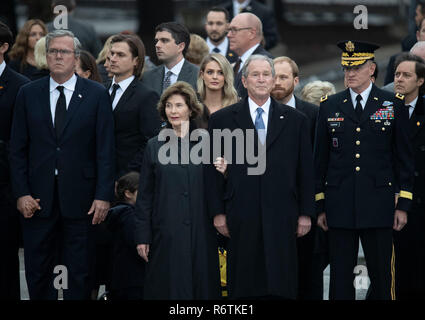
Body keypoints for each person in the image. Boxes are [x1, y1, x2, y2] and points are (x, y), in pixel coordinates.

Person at [9, 30, 115, 300]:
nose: (58, 56)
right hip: (37, 198)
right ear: (46, 56)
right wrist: (21, 193)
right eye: (53, 51)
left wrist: (103, 196)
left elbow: (105, 149)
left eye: (64, 52)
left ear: (75, 57)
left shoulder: (96, 94)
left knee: (79, 271)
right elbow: (17, 149)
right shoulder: (28, 93)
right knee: (37, 268)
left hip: (82, 198)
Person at [206, 54, 315, 299]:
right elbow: (212, 172)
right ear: (244, 81)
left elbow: (305, 170)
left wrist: (306, 213)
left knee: (281, 281)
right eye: (255, 75)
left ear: (274, 79)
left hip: (283, 214)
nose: (261, 79)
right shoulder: (222, 120)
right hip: (240, 213)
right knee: (243, 283)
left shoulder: (296, 121)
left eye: (266, 75)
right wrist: (218, 213)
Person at [314, 40, 415, 300]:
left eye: (356, 68)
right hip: (339, 204)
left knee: (382, 275)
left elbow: (403, 158)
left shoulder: (393, 103)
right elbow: (320, 161)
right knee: (339, 277)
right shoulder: (330, 105)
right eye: (346, 68)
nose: (349, 73)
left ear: (371, 69)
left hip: (379, 204)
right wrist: (320, 204)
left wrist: (403, 203)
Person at [135, 81, 220, 300]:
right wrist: (143, 236)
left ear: (191, 109)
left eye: (179, 105)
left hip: (203, 230)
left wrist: (225, 170)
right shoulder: (154, 145)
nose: (173, 111)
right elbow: (145, 196)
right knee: (169, 287)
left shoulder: (208, 142)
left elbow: (219, 185)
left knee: (202, 287)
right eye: (169, 106)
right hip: (166, 232)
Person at [0, 21, 30, 301]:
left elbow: (25, 141)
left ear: (4, 47)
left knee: (6, 260)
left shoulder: (21, 87)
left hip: (5, 188)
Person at [392, 52, 425, 299]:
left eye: (406, 75)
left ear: (420, 81)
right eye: (396, 74)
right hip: (394, 200)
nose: (399, 80)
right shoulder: (385, 108)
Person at [108, 34, 161, 178]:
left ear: (136, 61)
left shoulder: (147, 96)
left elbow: (150, 143)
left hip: (127, 180)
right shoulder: (100, 91)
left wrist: (127, 176)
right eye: (112, 54)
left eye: (120, 55)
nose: (113, 59)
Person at [105, 171, 145, 300]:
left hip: (119, 279)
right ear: (128, 193)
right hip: (132, 279)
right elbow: (134, 241)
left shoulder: (118, 214)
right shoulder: (129, 216)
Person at [142, 22, 199, 96]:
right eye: (157, 41)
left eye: (164, 40)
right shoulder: (147, 77)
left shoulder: (198, 75)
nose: (157, 45)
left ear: (180, 47)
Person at [228, 12, 273, 99]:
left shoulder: (267, 63)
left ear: (252, 33)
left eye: (234, 30)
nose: (229, 35)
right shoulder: (238, 63)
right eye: (229, 30)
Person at [196, 53, 238, 127]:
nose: (215, 77)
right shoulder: (192, 105)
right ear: (202, 75)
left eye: (220, 73)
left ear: (226, 76)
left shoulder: (237, 106)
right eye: (210, 72)